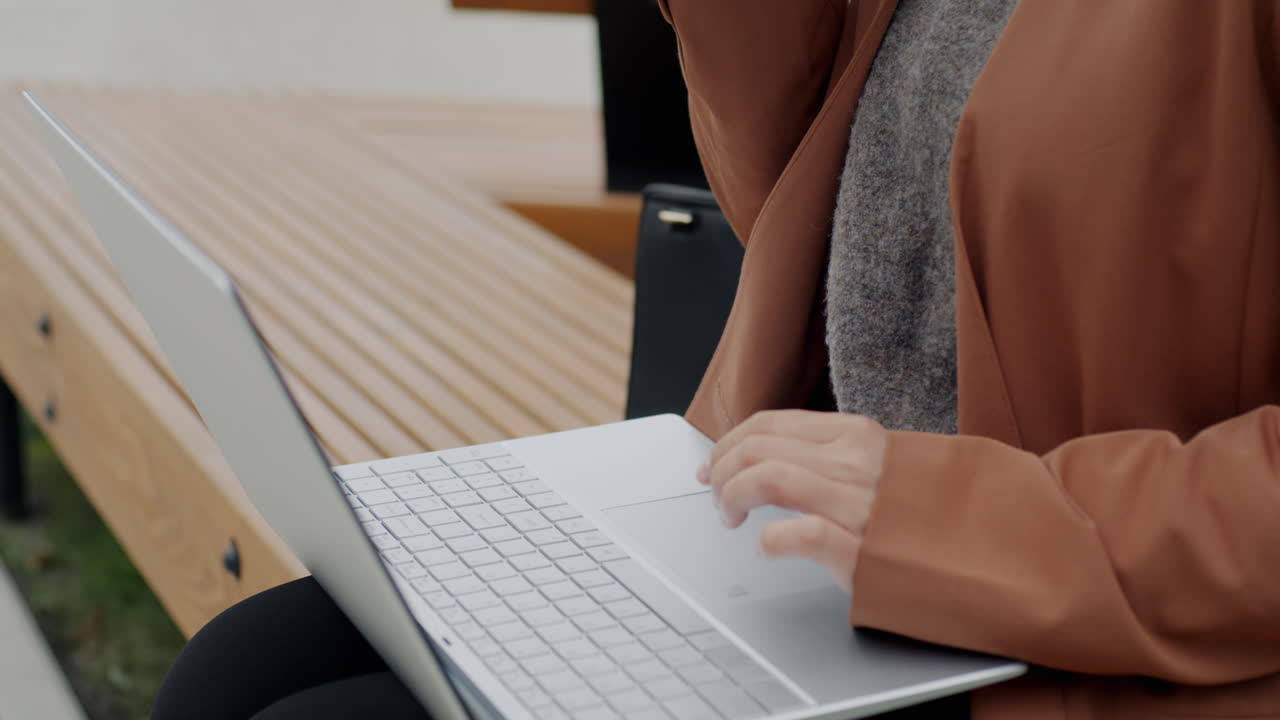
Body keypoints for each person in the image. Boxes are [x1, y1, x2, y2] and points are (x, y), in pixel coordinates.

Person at [153, 1, 1280, 718]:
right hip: (781, 531)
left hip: (1064, 610)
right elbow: (800, 205)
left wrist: (946, 517)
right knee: (236, 671)